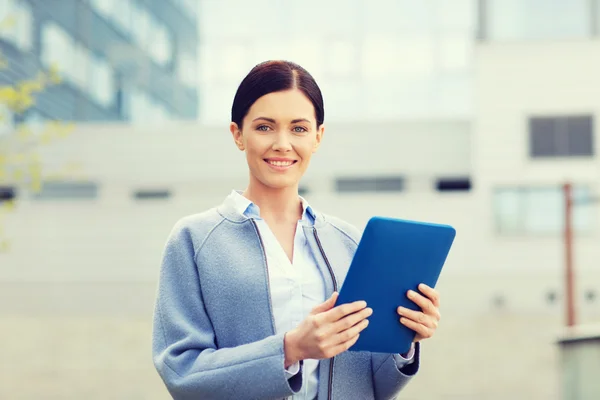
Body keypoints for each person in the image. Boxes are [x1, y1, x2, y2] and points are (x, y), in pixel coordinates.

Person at [152, 60, 442, 400]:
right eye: (264, 127)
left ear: (318, 137)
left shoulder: (350, 243)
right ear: (237, 134)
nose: (282, 143)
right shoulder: (194, 240)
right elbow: (180, 372)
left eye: (299, 129)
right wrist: (290, 349)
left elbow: (370, 384)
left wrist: (404, 342)